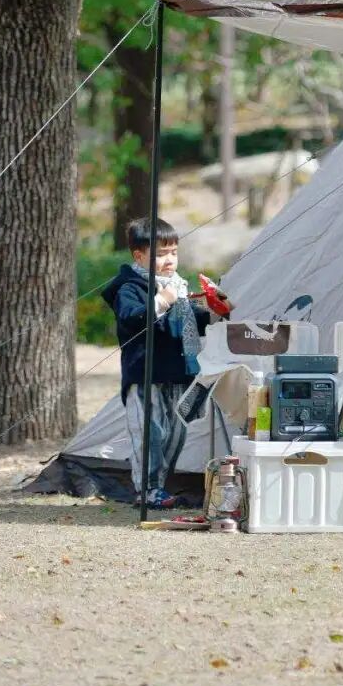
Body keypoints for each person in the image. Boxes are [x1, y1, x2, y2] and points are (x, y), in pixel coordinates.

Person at [102, 216, 229, 508]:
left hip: (178, 372)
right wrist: (162, 301)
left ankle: (159, 487)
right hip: (146, 373)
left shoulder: (176, 286)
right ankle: (146, 489)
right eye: (160, 254)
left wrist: (216, 310)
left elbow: (187, 322)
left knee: (176, 432)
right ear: (139, 255)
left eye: (173, 252)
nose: (169, 259)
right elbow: (132, 318)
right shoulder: (130, 287)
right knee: (150, 432)